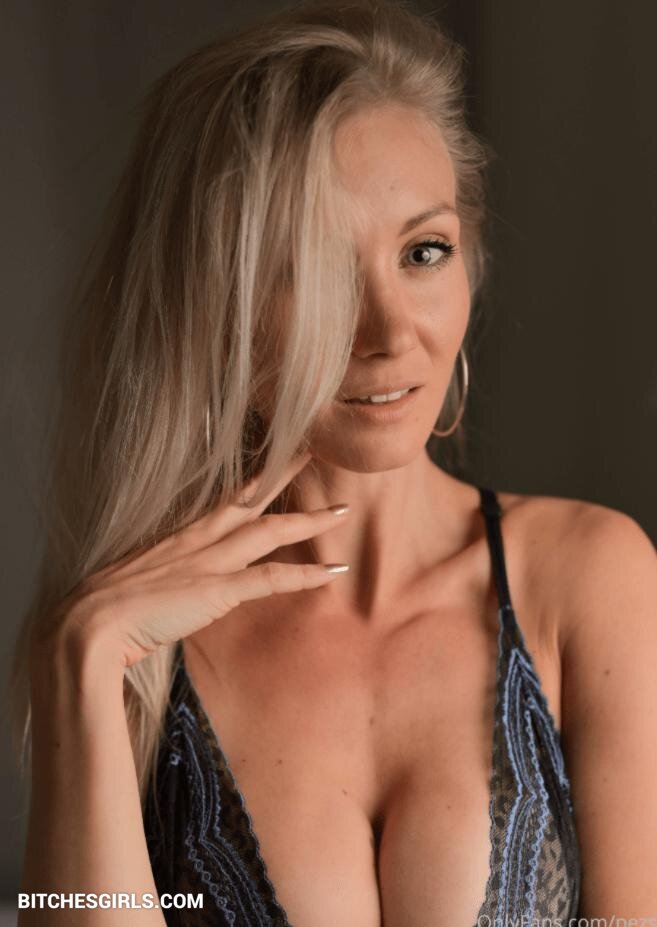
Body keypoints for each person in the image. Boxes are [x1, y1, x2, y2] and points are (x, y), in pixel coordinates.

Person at [11, 0, 657, 925]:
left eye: (423, 251)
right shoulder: (134, 645)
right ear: (213, 302)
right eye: (313, 270)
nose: (390, 332)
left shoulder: (589, 577)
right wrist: (80, 660)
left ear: (470, 258)